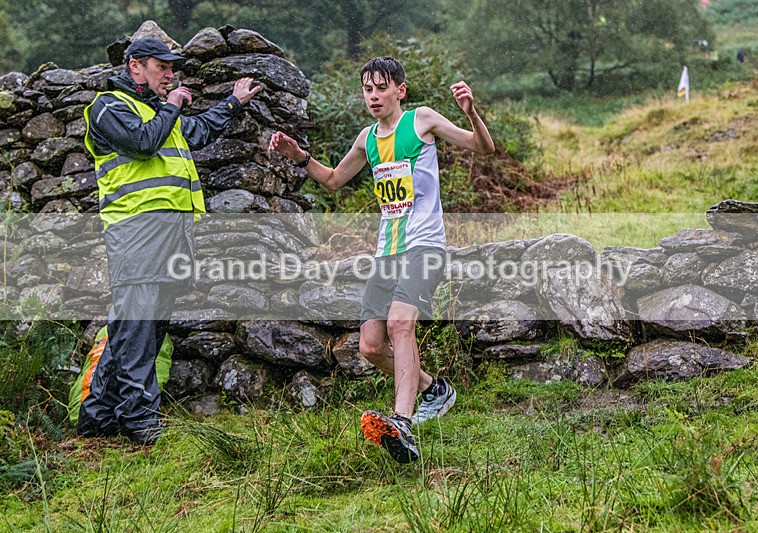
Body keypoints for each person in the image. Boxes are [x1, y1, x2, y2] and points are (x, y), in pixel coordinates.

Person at [269, 56, 494, 463]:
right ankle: (434, 389)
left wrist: (471, 113)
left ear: (399, 91)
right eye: (367, 89)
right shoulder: (367, 139)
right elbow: (334, 181)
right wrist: (299, 155)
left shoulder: (422, 120)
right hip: (386, 251)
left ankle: (401, 422)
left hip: (424, 246)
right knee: (371, 346)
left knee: (399, 324)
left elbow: (484, 147)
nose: (373, 96)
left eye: (381, 88)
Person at [77, 37, 261, 444]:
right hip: (135, 233)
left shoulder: (159, 113)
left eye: (172, 67)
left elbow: (196, 132)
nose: (170, 74)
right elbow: (144, 144)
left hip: (171, 234)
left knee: (140, 328)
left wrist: (233, 102)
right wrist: (174, 104)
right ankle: (141, 422)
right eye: (162, 66)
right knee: (138, 327)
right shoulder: (109, 106)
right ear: (134, 67)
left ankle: (97, 421)